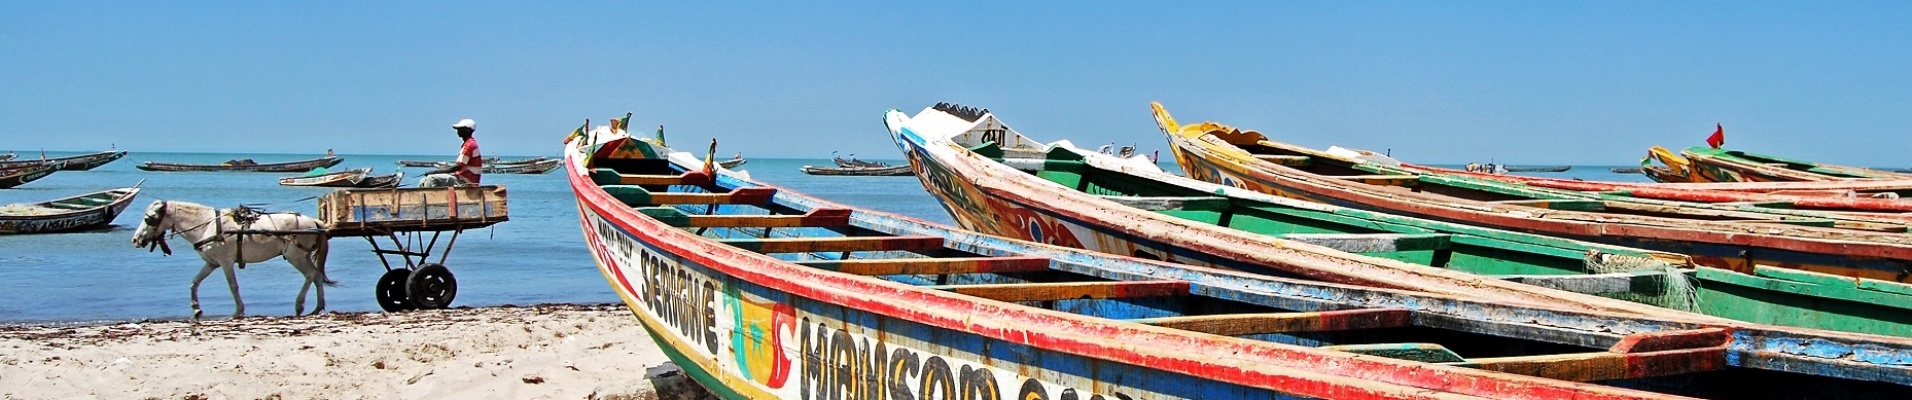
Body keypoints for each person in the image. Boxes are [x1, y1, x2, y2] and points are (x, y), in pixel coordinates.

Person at [419, 119, 483, 187]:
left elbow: (457, 167)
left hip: (467, 181)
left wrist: (434, 172)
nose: (458, 131)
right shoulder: (468, 144)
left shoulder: (469, 145)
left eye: (460, 129)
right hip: (461, 178)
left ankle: (432, 196)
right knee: (422, 181)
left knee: (431, 179)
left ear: (467, 130)